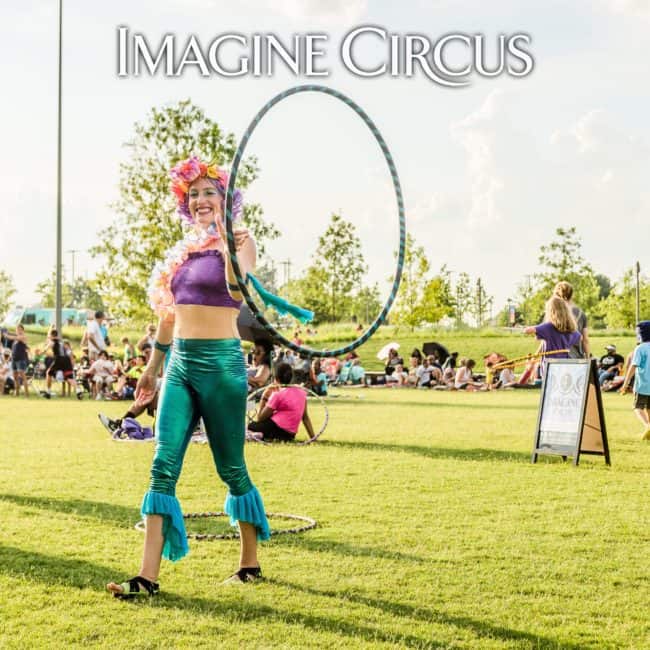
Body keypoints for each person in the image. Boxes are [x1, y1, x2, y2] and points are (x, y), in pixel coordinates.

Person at [107, 155, 270, 599]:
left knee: (232, 468)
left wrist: (230, 256)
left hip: (221, 365)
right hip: (179, 364)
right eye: (193, 194)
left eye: (208, 192)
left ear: (224, 199)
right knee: (162, 466)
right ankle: (146, 577)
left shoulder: (241, 240)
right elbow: (167, 314)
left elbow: (239, 293)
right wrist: (151, 368)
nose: (200, 200)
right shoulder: (181, 253)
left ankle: (249, 563)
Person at [247, 363, 315, 442]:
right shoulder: (302, 392)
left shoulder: (277, 395)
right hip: (290, 435)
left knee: (250, 426)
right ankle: (260, 435)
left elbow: (260, 418)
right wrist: (313, 438)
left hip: (276, 428)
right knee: (259, 424)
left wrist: (265, 396)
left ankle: (259, 435)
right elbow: (305, 418)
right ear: (291, 377)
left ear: (276, 379)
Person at [524, 296, 581, 371]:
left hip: (549, 368)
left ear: (551, 312)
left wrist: (526, 328)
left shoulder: (548, 327)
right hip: (564, 365)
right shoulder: (570, 329)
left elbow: (527, 331)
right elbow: (580, 337)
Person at [620, 321, 650, 440]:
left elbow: (633, 366)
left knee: (637, 407)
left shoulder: (640, 348)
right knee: (648, 408)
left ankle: (648, 426)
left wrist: (625, 383)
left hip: (642, 385)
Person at [43, 329, 83, 399]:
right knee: (69, 378)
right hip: (66, 360)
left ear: (52, 336)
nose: (49, 337)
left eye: (50, 335)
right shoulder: (61, 343)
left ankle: (48, 392)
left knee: (48, 373)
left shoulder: (52, 342)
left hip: (59, 360)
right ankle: (78, 391)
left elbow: (45, 350)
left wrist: (43, 351)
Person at [554, 281, 590, 358]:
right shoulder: (581, 313)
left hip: (556, 358)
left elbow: (546, 339)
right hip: (576, 358)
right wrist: (587, 357)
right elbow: (585, 340)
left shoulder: (553, 313)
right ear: (572, 295)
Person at [9, 324, 30, 396]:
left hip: (21, 359)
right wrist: (10, 357)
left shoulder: (23, 337)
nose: (18, 330)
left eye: (20, 329)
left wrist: (6, 335)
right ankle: (17, 392)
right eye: (17, 329)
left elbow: (13, 337)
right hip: (14, 360)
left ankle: (27, 393)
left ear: (23, 330)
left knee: (22, 375)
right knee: (15, 377)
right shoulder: (15, 341)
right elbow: (13, 350)